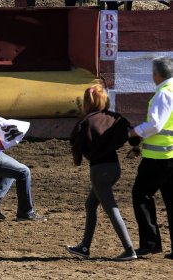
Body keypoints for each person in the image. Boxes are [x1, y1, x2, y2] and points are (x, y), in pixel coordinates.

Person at [67, 84, 138, 261]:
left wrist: (77, 160)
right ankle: (84, 247)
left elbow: (76, 146)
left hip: (99, 171)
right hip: (114, 168)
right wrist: (135, 148)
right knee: (91, 204)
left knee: (111, 209)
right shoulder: (115, 117)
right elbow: (132, 134)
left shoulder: (86, 122)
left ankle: (129, 249)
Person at [129, 56, 173, 259]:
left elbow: (155, 125)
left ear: (157, 74)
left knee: (141, 195)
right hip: (170, 155)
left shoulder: (163, 94)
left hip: (158, 158)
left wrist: (134, 133)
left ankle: (150, 242)